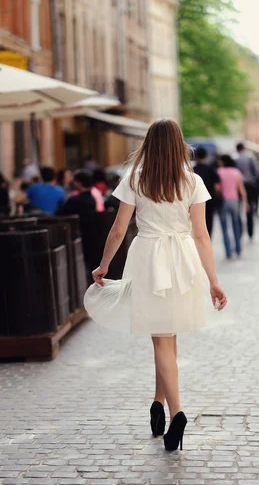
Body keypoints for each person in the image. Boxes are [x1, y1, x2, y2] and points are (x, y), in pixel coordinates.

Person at [84, 119, 227, 452]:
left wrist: (104, 265)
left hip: (149, 258)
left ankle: (176, 412)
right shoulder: (192, 181)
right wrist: (213, 281)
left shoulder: (135, 179)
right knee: (167, 338)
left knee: (162, 339)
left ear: (149, 143)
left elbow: (119, 230)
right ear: (180, 145)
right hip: (182, 259)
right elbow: (201, 235)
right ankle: (157, 404)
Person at [217, 155, 249, 259]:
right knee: (236, 225)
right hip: (234, 202)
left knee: (225, 227)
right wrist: (246, 203)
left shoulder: (219, 172)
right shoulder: (236, 172)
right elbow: (241, 189)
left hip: (223, 202)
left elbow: (218, 188)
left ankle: (228, 252)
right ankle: (238, 248)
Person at [193, 147, 222, 237]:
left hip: (194, 201)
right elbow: (217, 186)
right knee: (208, 223)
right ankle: (207, 240)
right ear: (206, 156)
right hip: (209, 200)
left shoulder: (192, 169)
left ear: (196, 156)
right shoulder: (211, 169)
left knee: (196, 223)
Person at [235, 143, 259, 239]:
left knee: (239, 209)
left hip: (238, 186)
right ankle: (250, 231)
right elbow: (256, 172)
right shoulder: (250, 158)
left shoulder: (235, 159)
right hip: (249, 185)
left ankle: (240, 231)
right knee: (249, 208)